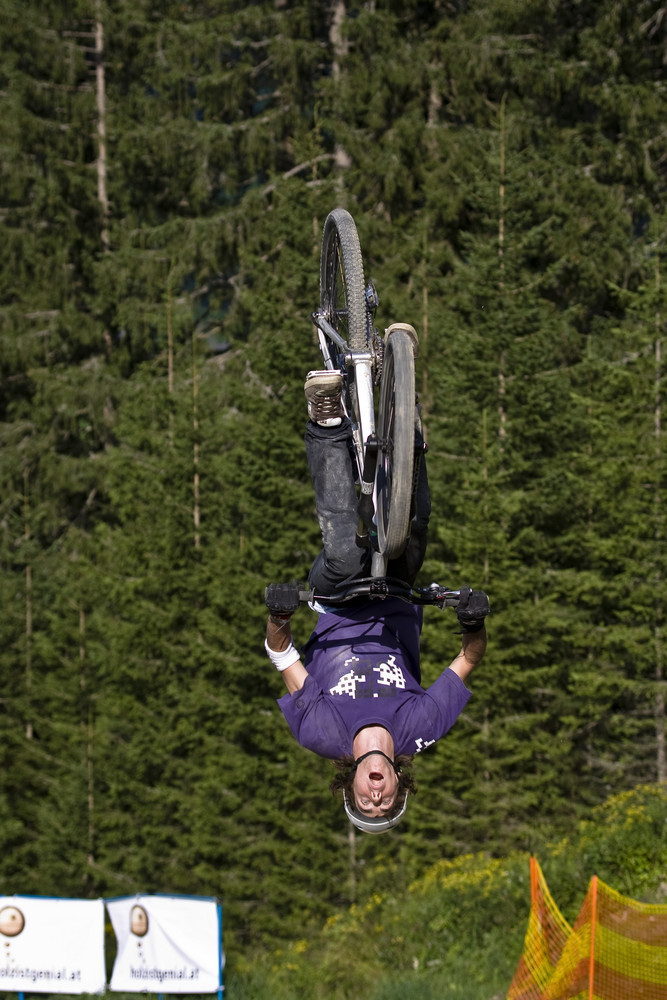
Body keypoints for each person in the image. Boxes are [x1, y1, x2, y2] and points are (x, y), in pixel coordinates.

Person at [264, 325, 490, 833]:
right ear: (398, 784)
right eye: (384, 804)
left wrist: (280, 616)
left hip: (339, 602)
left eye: (365, 804)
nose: (375, 796)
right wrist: (472, 621)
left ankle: (325, 423)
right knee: (410, 538)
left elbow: (282, 654)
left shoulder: (322, 732)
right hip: (396, 598)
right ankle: (405, 427)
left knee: (343, 552)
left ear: (348, 783)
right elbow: (469, 656)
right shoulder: (421, 729)